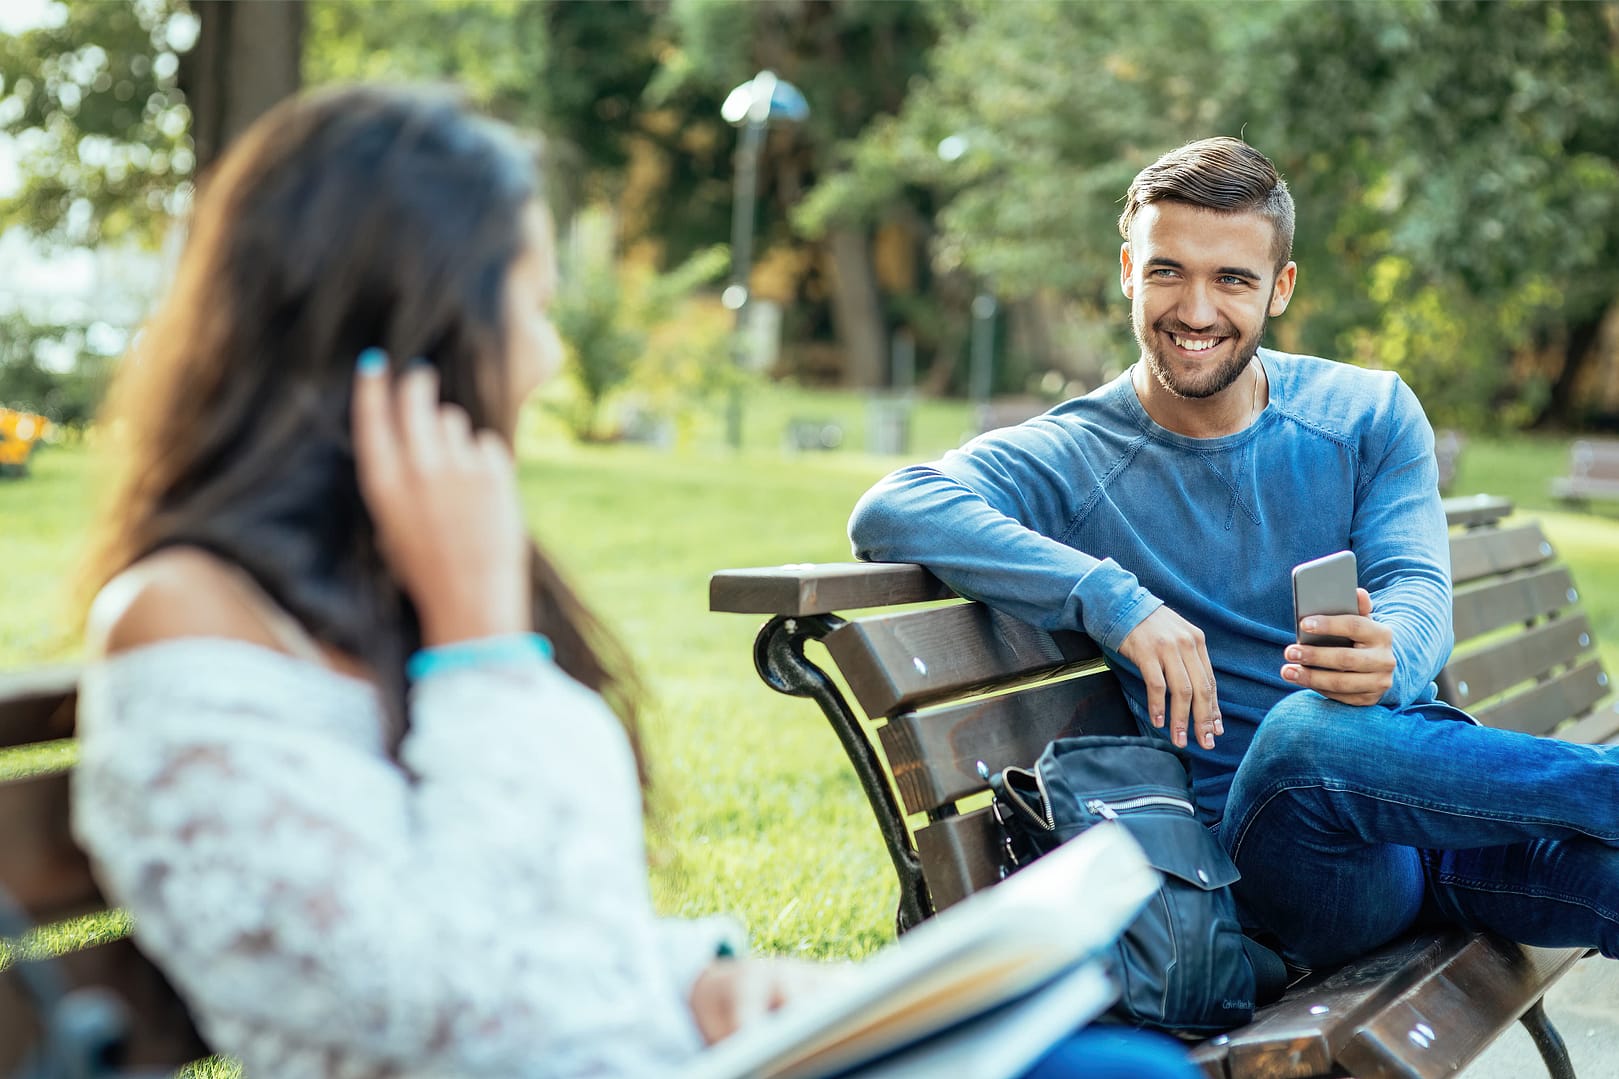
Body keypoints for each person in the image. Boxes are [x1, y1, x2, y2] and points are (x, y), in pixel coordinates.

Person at [70, 84, 1197, 1079]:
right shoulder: (187, 620)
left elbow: (548, 926)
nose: (549, 357)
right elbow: (424, 1003)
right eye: (529, 306)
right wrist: (477, 645)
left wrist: (705, 978)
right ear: (410, 333)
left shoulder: (403, 581)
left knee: (1116, 1064)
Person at [849, 136, 1619, 975]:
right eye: (1167, 270)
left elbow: (1415, 586)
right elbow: (894, 505)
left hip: (1423, 820)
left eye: (1232, 279)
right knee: (1302, 737)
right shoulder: (1079, 454)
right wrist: (1113, 600)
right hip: (1283, 870)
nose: (1195, 310)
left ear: (1279, 288)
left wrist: (1391, 653)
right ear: (1126, 271)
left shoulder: (1366, 413)